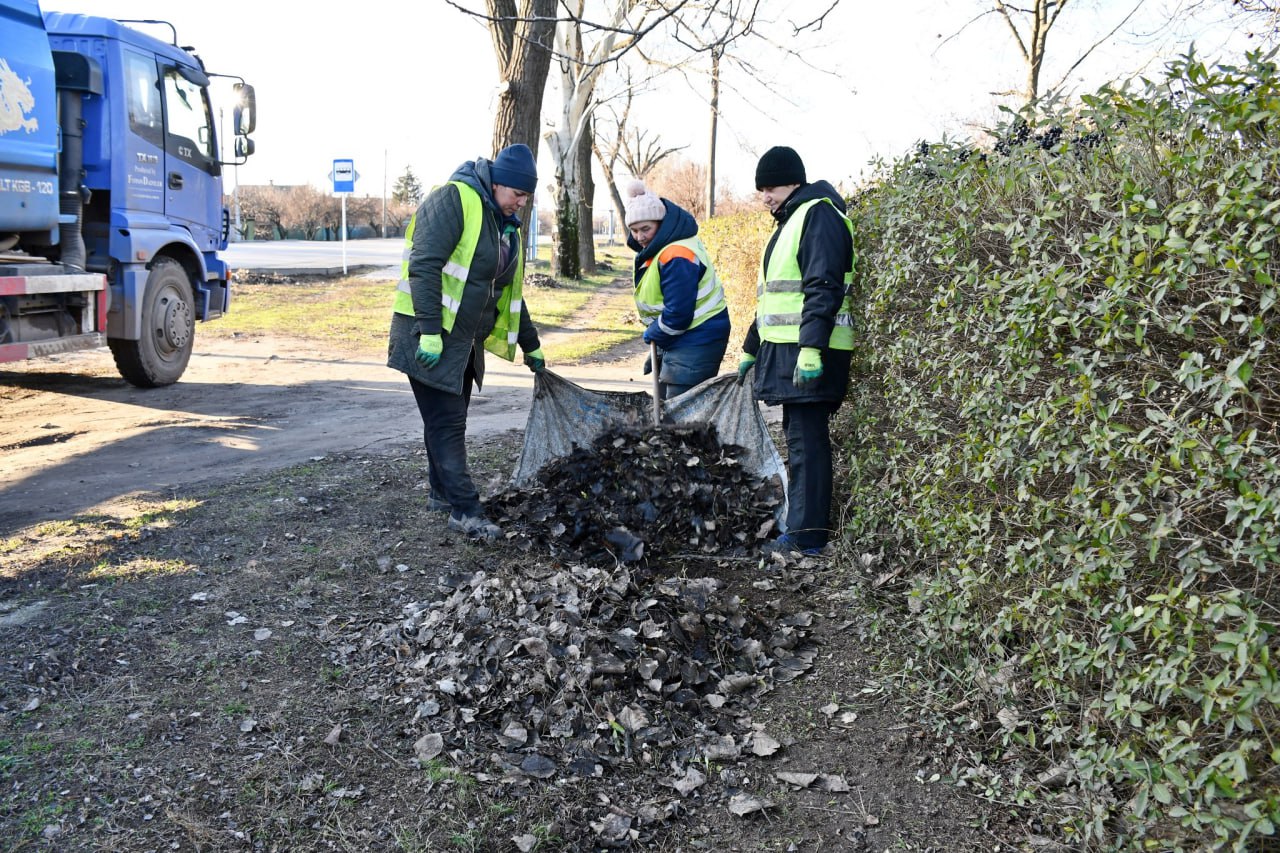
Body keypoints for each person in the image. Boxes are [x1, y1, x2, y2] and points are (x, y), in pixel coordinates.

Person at [387, 143, 547, 541]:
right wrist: (428, 330)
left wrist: (532, 344)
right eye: (517, 195)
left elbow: (510, 295)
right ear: (498, 184)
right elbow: (423, 265)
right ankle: (465, 510)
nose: (521, 204)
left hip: (463, 343)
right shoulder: (454, 199)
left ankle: (442, 493)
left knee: (444, 420)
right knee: (447, 422)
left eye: (527, 197)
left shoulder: (504, 225)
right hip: (428, 337)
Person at [738, 146, 856, 557]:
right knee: (800, 440)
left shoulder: (817, 215)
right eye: (761, 189)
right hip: (791, 354)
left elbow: (823, 285)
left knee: (807, 443)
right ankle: (805, 526)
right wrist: (752, 348)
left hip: (810, 355)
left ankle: (808, 535)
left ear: (794, 182)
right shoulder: (793, 219)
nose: (765, 196)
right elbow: (775, 299)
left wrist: (811, 348)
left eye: (770, 187)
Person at [624, 180, 730, 399]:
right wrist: (661, 349)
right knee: (667, 409)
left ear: (661, 224)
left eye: (646, 229)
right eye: (634, 231)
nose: (640, 237)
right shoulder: (660, 249)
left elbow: (678, 314)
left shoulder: (677, 254)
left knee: (681, 412)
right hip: (684, 338)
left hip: (699, 338)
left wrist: (652, 335)